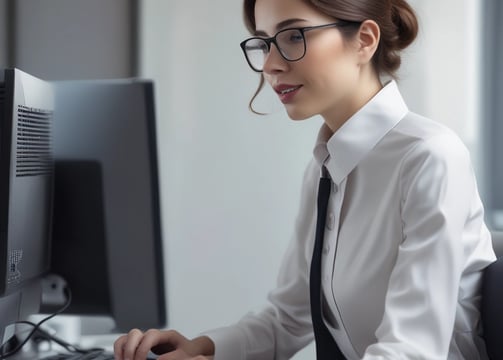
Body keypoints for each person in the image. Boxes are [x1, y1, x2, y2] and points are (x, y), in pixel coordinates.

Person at [113, 0, 497, 358]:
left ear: (364, 40)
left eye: (293, 36)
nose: (270, 65)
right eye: (264, 43)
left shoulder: (430, 157)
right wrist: (204, 348)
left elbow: (410, 351)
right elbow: (288, 318)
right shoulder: (326, 167)